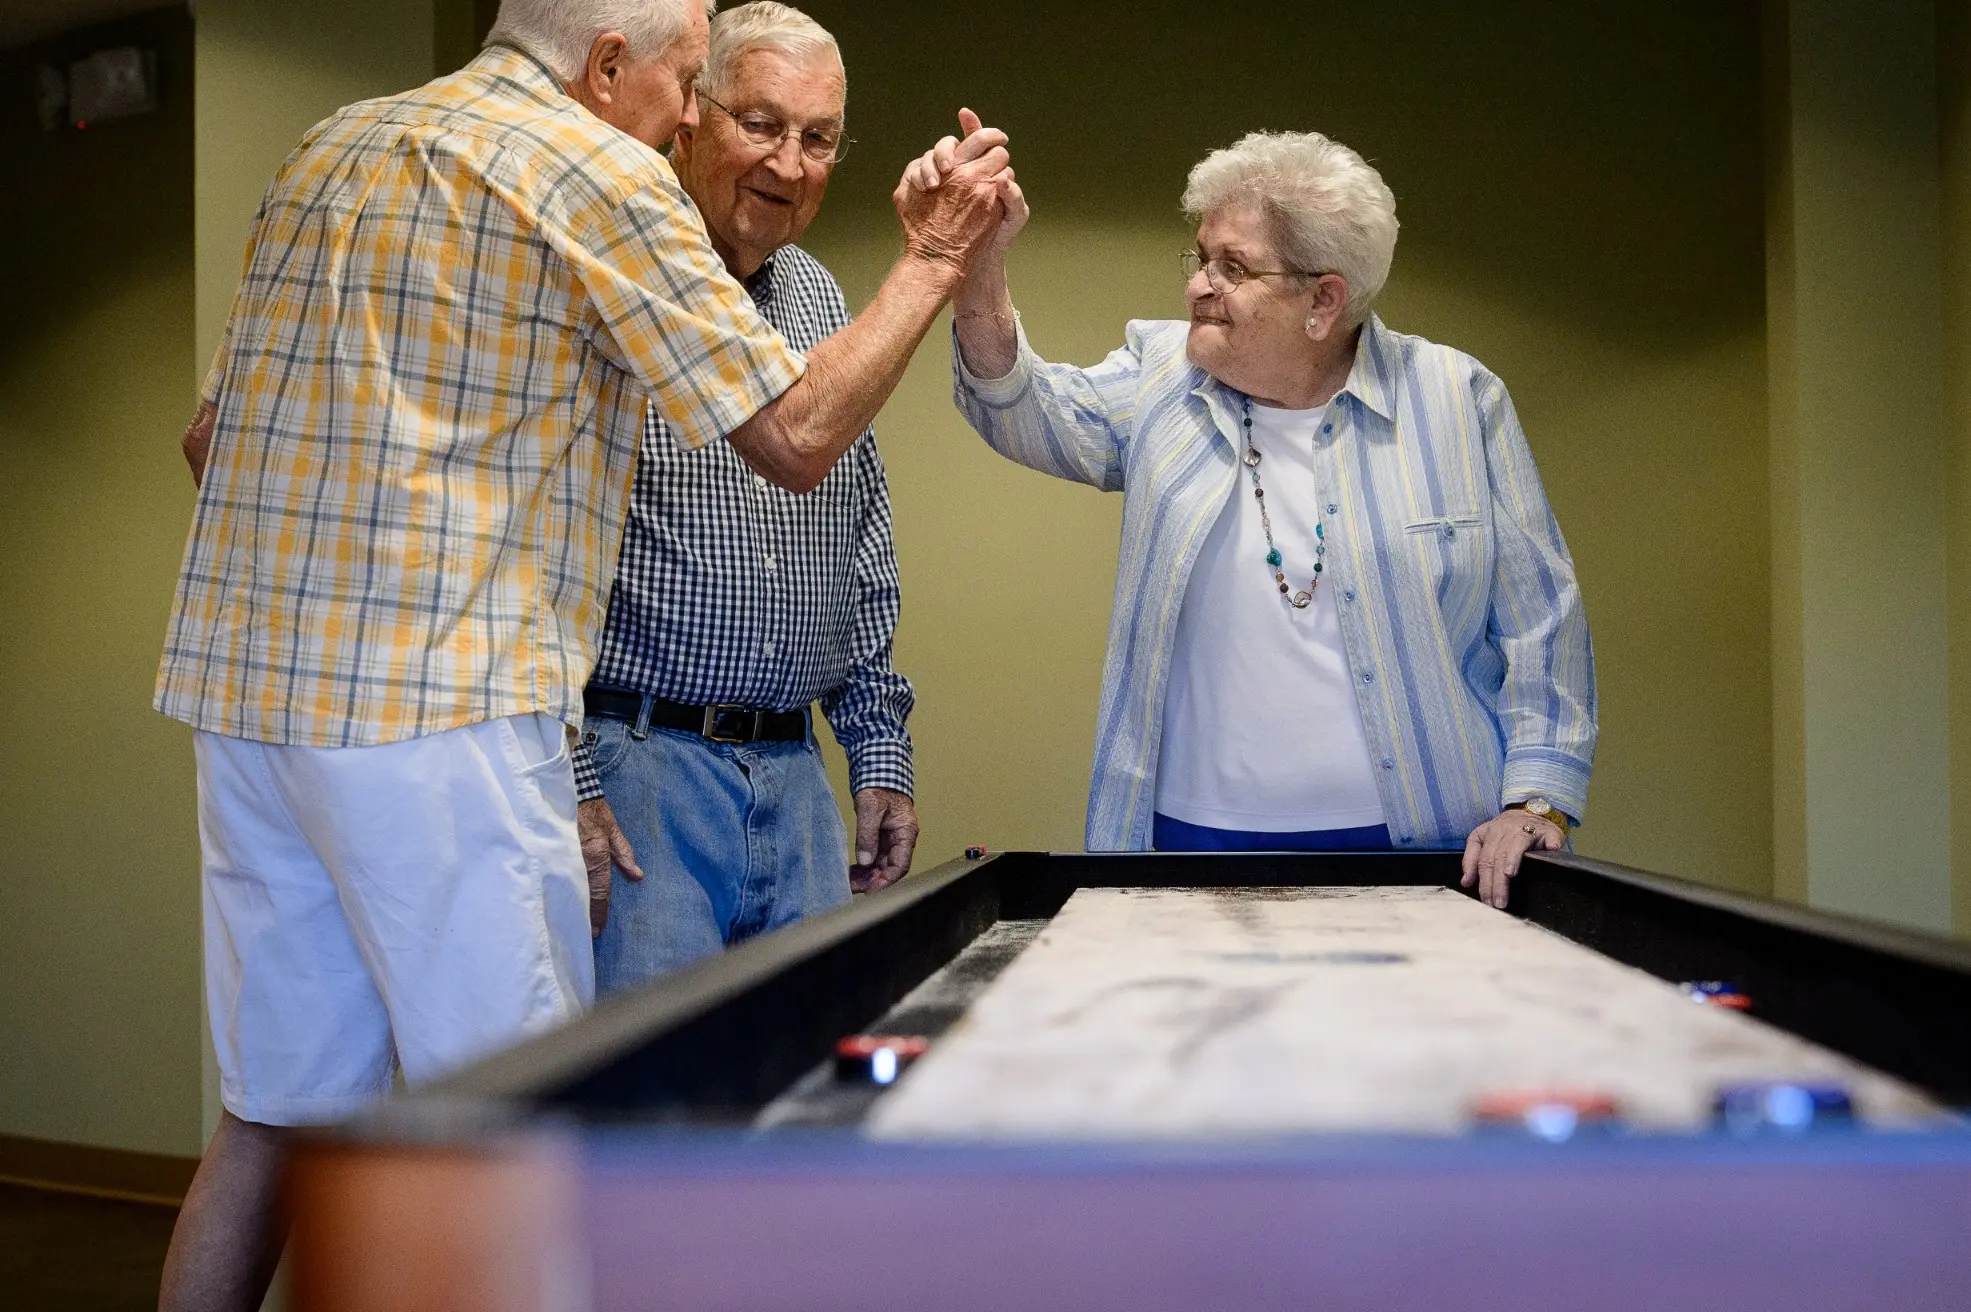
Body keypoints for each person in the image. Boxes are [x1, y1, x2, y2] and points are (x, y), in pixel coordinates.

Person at [156, 0, 1015, 1303]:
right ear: (611, 66)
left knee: (281, 1111)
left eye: (812, 135)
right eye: (692, 87)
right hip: (442, 709)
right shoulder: (596, 167)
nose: (684, 118)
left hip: (254, 700)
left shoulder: (332, 144)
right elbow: (794, 437)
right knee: (524, 1144)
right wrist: (939, 256)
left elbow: (212, 440)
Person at [911, 125, 1594, 910]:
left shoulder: (1455, 398)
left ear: (1323, 300)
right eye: (1200, 258)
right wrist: (978, 263)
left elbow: (1541, 619)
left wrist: (1536, 800)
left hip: (1423, 844)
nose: (1199, 284)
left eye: (1231, 268)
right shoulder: (1161, 377)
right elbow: (1021, 408)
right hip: (1185, 842)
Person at [572, 3, 918, 995]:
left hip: (798, 784)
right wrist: (574, 779)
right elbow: (525, 554)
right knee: (645, 1117)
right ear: (692, 116)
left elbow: (863, 541)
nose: (791, 163)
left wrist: (878, 748)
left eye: (818, 139)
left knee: (802, 1099)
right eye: (761, 124)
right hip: (641, 773)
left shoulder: (817, 297)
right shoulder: (618, 277)